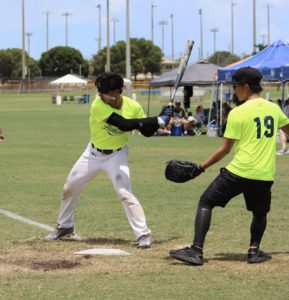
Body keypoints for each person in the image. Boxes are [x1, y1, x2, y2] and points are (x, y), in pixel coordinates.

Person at [169, 67, 289, 266]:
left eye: (236, 87)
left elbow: (224, 149)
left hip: (239, 171)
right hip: (264, 174)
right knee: (259, 212)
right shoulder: (274, 109)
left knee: (206, 202)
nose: (234, 91)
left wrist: (200, 167)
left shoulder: (238, 113)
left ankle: (196, 250)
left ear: (246, 86)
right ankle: (254, 251)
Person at [44, 71, 170, 248]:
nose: (100, 96)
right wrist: (158, 119)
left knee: (125, 193)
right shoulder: (98, 105)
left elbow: (146, 132)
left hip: (117, 155)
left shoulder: (132, 106)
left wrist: (160, 121)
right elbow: (124, 125)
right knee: (70, 188)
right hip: (92, 154)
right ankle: (65, 227)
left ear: (117, 91)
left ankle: (143, 234)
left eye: (105, 93)